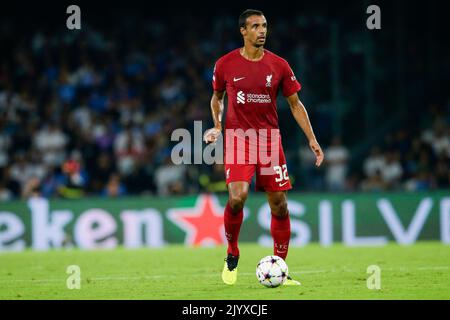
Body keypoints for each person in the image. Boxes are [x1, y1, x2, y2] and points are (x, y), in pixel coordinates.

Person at [204, 9, 324, 286]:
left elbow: (295, 105)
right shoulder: (225, 64)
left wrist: (312, 138)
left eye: (265, 26)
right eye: (255, 26)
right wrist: (217, 126)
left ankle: (280, 265)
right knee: (237, 196)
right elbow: (216, 99)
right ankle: (232, 252)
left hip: (269, 141)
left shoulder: (279, 65)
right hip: (238, 139)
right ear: (243, 31)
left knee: (279, 205)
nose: (262, 31)